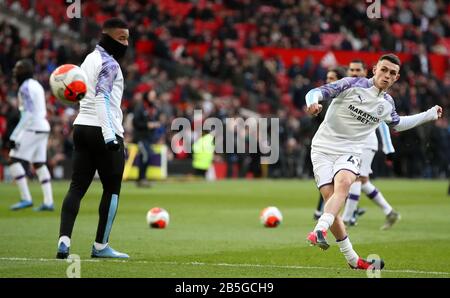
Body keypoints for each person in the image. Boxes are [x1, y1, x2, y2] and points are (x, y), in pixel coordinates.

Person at [305, 54, 442, 270]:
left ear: (396, 78)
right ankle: (353, 260)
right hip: (322, 148)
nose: (386, 76)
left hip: (350, 151)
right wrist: (312, 103)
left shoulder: (387, 104)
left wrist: (428, 115)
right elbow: (316, 92)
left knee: (344, 185)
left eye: (392, 73)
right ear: (375, 68)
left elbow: (397, 124)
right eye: (384, 70)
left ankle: (320, 229)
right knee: (331, 202)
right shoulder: (351, 84)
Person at [56, 18, 130, 259]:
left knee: (77, 186)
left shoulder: (89, 59)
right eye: (121, 38)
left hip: (81, 127)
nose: (126, 43)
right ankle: (100, 246)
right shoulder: (111, 64)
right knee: (112, 189)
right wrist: (110, 137)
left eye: (128, 38)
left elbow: (79, 93)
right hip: (103, 130)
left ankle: (64, 242)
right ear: (107, 37)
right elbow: (102, 98)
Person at [341, 60, 400, 230]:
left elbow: (381, 121)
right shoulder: (351, 89)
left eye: (357, 70)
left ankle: (346, 219)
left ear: (367, 71)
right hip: (351, 141)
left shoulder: (375, 94)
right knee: (363, 181)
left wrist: (389, 149)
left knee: (356, 178)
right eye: (351, 69)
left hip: (365, 142)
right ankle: (389, 211)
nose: (354, 72)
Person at [8, 59, 54, 211]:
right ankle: (48, 202)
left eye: (17, 68)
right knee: (39, 163)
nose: (15, 71)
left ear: (23, 71)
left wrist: (14, 136)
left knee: (13, 158)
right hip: (43, 126)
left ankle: (26, 198)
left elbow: (27, 114)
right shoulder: (37, 85)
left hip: (32, 127)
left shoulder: (25, 87)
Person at [313, 66, 346, 220]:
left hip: (345, 147)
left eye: (331, 79)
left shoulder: (347, 98)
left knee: (344, 182)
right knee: (330, 183)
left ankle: (345, 213)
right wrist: (314, 111)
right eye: (327, 79)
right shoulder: (326, 100)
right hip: (325, 146)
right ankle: (328, 213)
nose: (328, 82)